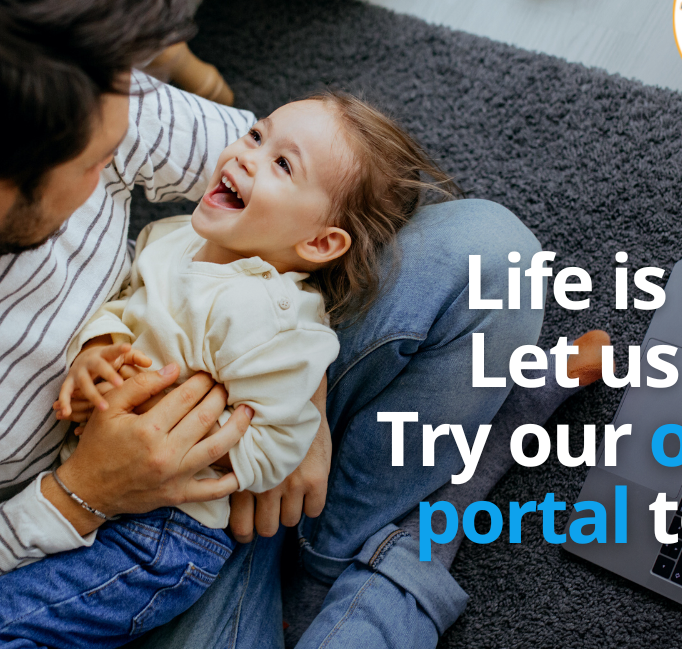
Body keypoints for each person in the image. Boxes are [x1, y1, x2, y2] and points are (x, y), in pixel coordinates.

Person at [0, 90, 445, 645]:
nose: (243, 154)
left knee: (30, 614)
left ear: (321, 242)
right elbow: (123, 302)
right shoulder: (172, 238)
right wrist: (99, 350)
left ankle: (336, 566)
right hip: (79, 491)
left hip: (169, 534)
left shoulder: (272, 317)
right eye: (256, 136)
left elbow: (282, 442)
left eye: (281, 163)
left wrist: (193, 448)